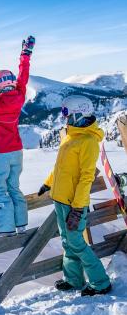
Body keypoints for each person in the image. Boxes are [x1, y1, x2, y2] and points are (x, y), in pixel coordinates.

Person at [38, 95, 112, 296]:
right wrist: (48, 183)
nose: (64, 118)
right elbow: (60, 168)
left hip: (74, 203)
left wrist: (78, 208)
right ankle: (73, 279)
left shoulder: (88, 141)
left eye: (66, 113)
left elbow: (86, 177)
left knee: (77, 243)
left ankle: (101, 282)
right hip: (60, 199)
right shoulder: (70, 136)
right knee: (66, 241)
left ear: (79, 113)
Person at [0, 36, 35, 237]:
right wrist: (25, 54)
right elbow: (24, 76)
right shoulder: (19, 96)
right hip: (16, 151)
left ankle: (5, 229)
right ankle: (21, 225)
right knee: (14, 187)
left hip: (0, 152)